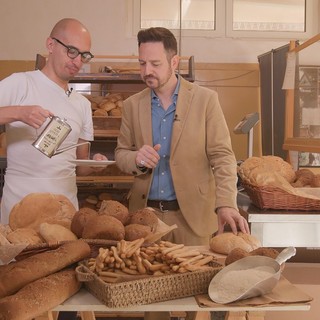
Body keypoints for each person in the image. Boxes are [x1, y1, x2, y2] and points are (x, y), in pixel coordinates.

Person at [115, 26, 249, 320]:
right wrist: (136, 158)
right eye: (142, 63)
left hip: (195, 218)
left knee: (198, 301)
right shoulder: (131, 105)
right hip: (147, 220)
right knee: (152, 305)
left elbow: (223, 156)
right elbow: (120, 154)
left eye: (155, 63)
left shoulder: (205, 100)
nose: (146, 70)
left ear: (174, 62)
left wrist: (226, 203)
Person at [0, 18, 107, 225]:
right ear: (51, 45)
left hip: (64, 212)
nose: (77, 61)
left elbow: (80, 166)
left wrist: (94, 165)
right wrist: (18, 113)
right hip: (19, 208)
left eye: (84, 55)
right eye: (71, 51)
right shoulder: (21, 83)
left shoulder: (82, 104)